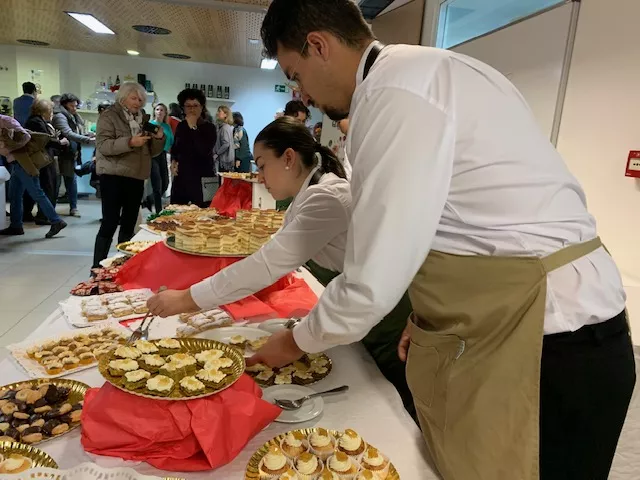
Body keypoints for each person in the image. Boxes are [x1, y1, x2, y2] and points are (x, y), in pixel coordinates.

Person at [252, 2, 635, 480]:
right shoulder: (431, 70)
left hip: (554, 343)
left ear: (318, 46)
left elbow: (372, 281)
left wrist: (294, 341)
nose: (301, 94)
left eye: (295, 74)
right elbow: (470, 218)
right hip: (539, 327)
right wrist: (429, 312)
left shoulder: (394, 93)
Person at [146, 117, 416, 420]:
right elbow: (268, 254)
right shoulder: (308, 196)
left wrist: (186, 299)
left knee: (395, 407)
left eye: (262, 165)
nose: (259, 177)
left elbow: (264, 266)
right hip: (359, 316)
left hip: (386, 321)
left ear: (288, 158)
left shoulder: (326, 198)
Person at [92, 82, 165, 268]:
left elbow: (153, 151)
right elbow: (103, 146)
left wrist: (159, 139)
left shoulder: (145, 120)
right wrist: (130, 142)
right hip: (113, 175)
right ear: (122, 98)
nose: (138, 102)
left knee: (129, 223)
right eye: (134, 98)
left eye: (141, 99)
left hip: (136, 176)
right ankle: (96, 267)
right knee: (109, 222)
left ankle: (123, 265)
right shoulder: (109, 116)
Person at [0, 113, 67, 238]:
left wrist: (13, 147)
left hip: (23, 162)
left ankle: (56, 221)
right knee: (14, 195)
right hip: (15, 163)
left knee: (37, 192)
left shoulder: (6, 120)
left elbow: (26, 136)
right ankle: (16, 226)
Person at [23, 99, 69, 225]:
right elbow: (44, 140)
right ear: (45, 111)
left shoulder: (34, 120)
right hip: (43, 160)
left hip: (39, 159)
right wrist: (60, 142)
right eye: (51, 110)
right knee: (48, 186)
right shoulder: (37, 122)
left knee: (36, 188)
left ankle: (30, 214)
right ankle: (44, 216)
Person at [170, 88, 217, 207]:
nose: (192, 109)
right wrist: (173, 160)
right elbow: (176, 148)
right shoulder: (181, 126)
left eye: (195, 105)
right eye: (188, 106)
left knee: (205, 217)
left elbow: (204, 150)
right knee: (176, 213)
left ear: (202, 107)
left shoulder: (210, 128)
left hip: (203, 179)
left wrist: (193, 127)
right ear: (183, 108)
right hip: (182, 178)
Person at [52, 93, 95, 217]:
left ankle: (73, 207)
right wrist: (86, 139)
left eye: (76, 106)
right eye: (72, 106)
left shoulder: (72, 116)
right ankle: (51, 211)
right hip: (61, 153)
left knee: (71, 180)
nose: (75, 108)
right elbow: (67, 133)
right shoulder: (60, 116)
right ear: (65, 105)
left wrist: (86, 135)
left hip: (71, 153)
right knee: (58, 183)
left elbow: (75, 131)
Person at [145, 103, 174, 214]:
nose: (159, 112)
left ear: (165, 112)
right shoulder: (150, 125)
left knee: (165, 183)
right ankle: (158, 212)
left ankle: (149, 199)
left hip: (164, 155)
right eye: (157, 109)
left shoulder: (167, 126)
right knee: (157, 184)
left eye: (162, 110)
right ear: (154, 112)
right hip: (153, 156)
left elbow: (171, 141)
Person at [213, 105, 235, 173]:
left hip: (224, 161)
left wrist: (217, 153)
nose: (217, 113)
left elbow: (226, 143)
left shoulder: (224, 128)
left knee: (223, 181)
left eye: (219, 111)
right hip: (225, 160)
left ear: (225, 114)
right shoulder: (224, 127)